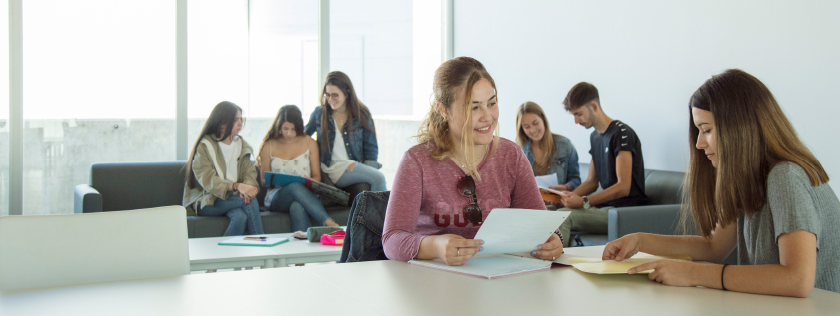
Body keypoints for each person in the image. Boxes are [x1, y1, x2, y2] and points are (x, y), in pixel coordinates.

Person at [603, 69, 840, 297]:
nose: (698, 144)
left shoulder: (785, 177)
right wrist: (640, 240)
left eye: (706, 130)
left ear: (740, 128)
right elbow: (713, 247)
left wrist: (695, 273)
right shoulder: (749, 177)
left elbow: (797, 279)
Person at [382, 57, 561, 266]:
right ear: (443, 110)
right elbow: (392, 240)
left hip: (497, 278)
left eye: (491, 103)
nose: (488, 116)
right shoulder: (416, 162)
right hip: (433, 281)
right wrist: (436, 247)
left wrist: (553, 240)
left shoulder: (511, 155)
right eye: (474, 107)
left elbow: (539, 224)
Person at [556, 82, 647, 247]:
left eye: (579, 114)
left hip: (625, 212)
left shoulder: (622, 133)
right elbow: (591, 182)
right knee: (550, 211)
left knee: (563, 216)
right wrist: (565, 198)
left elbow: (623, 186)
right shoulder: (595, 137)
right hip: (605, 209)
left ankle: (554, 266)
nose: (576, 121)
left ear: (593, 106)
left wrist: (584, 201)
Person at [183, 101, 264, 236]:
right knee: (250, 202)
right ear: (222, 124)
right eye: (235, 120)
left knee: (240, 216)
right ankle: (263, 245)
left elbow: (249, 173)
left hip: (232, 199)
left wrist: (246, 189)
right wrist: (237, 186)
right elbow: (208, 180)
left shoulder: (242, 145)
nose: (240, 124)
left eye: (240, 119)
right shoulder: (205, 146)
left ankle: (223, 255)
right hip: (207, 200)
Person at [258, 105, 340, 233]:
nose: (289, 133)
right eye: (285, 129)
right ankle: (326, 221)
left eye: (293, 129)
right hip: (277, 198)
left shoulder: (310, 143)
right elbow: (264, 180)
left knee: (297, 205)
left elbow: (317, 176)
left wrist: (308, 183)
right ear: (279, 126)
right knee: (294, 186)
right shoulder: (269, 144)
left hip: (305, 195)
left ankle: (304, 246)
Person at [305, 71, 387, 192]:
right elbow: (303, 137)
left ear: (347, 92)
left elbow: (371, 149)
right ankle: (386, 212)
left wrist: (366, 169)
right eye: (327, 95)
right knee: (379, 178)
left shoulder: (361, 114)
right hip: (331, 167)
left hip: (353, 166)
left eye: (335, 95)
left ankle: (375, 211)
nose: (330, 99)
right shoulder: (319, 113)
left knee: (376, 178)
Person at [516, 101, 581, 191]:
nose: (533, 130)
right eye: (527, 127)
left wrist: (566, 187)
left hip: (558, 203)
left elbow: (576, 180)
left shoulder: (565, 145)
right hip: (530, 203)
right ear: (522, 129)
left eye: (535, 123)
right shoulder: (519, 150)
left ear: (543, 120)